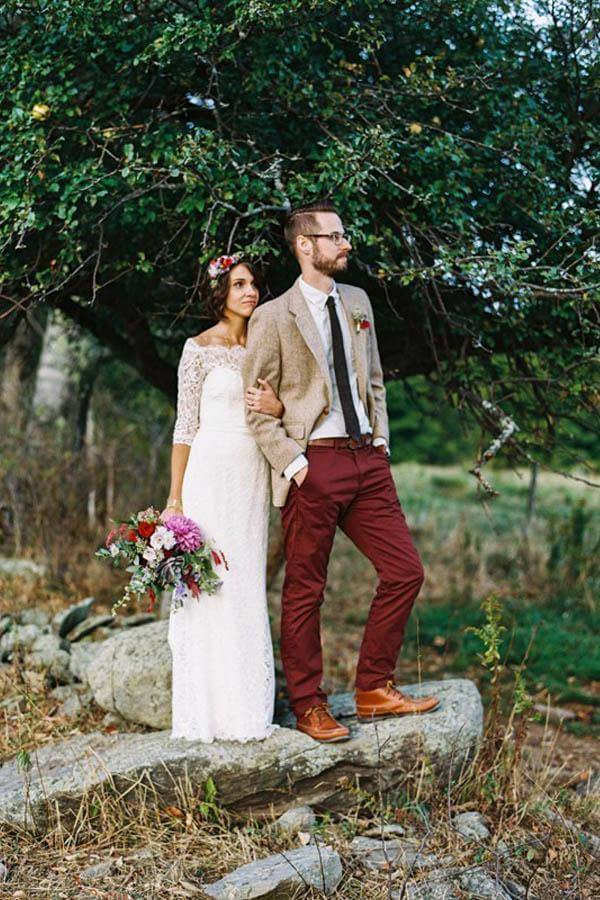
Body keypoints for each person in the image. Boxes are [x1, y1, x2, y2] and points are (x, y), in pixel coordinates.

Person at [243, 198, 439, 743]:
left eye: (344, 235)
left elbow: (373, 379)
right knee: (306, 590)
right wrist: (297, 464)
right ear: (305, 246)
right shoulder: (272, 316)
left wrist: (381, 442)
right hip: (316, 463)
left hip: (367, 460)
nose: (345, 243)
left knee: (405, 571)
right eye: (333, 236)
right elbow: (254, 410)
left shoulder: (357, 301)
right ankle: (309, 704)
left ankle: (374, 688)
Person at [163, 254, 282, 742]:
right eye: (239, 284)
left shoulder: (266, 345)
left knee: (245, 579)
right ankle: (204, 711)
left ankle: (247, 708)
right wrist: (175, 498)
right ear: (220, 293)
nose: (250, 292)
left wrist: (275, 404)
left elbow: (285, 409)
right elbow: (185, 425)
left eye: (253, 284)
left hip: (252, 473)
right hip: (208, 472)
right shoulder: (198, 349)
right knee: (208, 582)